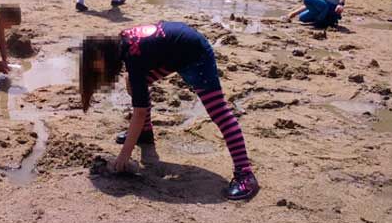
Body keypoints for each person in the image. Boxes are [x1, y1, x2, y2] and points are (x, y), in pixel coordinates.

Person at [80, 21, 260, 200]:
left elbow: (139, 111)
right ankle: (145, 133)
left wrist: (124, 156)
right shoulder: (122, 42)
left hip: (195, 55)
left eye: (95, 67)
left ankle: (245, 174)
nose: (97, 71)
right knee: (134, 85)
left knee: (218, 111)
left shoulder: (133, 59)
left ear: (101, 57)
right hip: (174, 51)